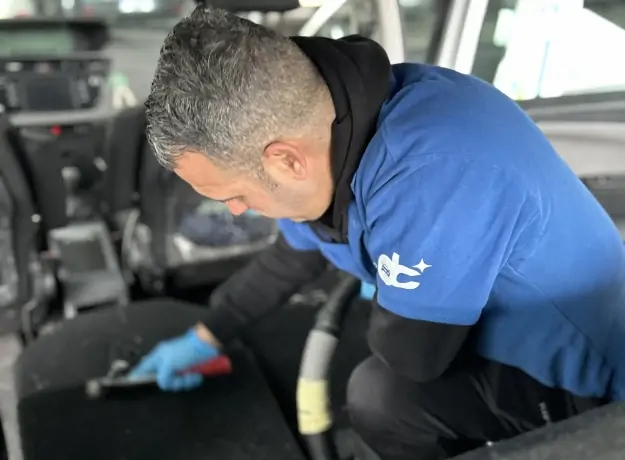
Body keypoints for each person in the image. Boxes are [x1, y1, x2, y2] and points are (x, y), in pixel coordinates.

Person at [129, 6, 625, 460]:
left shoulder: (434, 168)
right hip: (486, 341)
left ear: (285, 159)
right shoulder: (327, 127)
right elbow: (291, 259)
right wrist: (206, 335)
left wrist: (388, 287)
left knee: (379, 397)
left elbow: (413, 356)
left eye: (230, 194)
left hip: (593, 391)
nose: (235, 211)